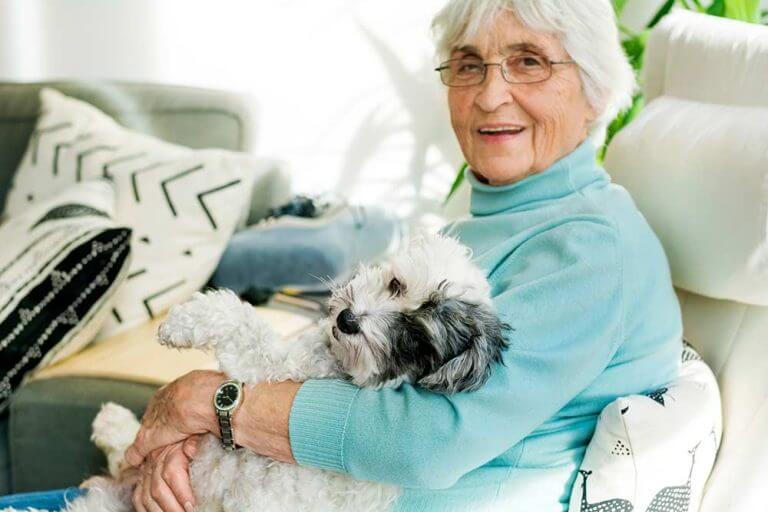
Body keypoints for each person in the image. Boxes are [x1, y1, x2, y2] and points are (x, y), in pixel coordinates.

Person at [0, 1, 683, 511]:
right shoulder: (479, 231)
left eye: (529, 61)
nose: (488, 93)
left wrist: (212, 405)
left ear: (595, 91)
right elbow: (329, 371)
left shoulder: (594, 247)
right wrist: (187, 452)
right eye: (468, 64)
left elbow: (426, 441)